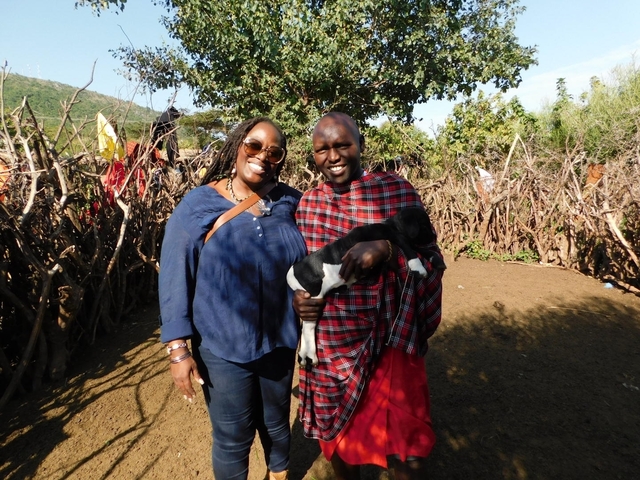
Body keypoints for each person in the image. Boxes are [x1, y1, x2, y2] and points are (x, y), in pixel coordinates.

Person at [293, 112, 444, 480]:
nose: (333, 156)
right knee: (341, 439)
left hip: (391, 337)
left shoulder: (396, 191)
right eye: (322, 149)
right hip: (332, 343)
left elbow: (431, 259)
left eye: (342, 144)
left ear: (360, 145)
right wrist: (299, 301)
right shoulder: (309, 206)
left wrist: (387, 249)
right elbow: (304, 274)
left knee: (404, 444)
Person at [158, 117, 307, 480]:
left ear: (281, 159)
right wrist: (178, 349)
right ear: (238, 145)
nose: (262, 156)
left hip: (279, 340)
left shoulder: (291, 201)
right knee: (232, 437)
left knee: (277, 425)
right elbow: (176, 274)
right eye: (254, 145)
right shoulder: (199, 204)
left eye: (274, 151)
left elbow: (316, 251)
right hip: (222, 345)